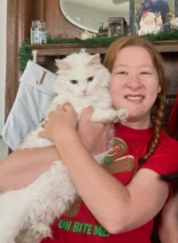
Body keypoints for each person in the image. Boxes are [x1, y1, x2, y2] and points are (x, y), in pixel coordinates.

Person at [0, 36, 178, 243]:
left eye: (145, 73)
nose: (134, 83)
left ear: (159, 86)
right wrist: (79, 140)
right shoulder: (72, 118)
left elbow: (118, 218)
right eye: (122, 72)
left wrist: (67, 137)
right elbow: (4, 178)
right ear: (107, 81)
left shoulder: (169, 150)